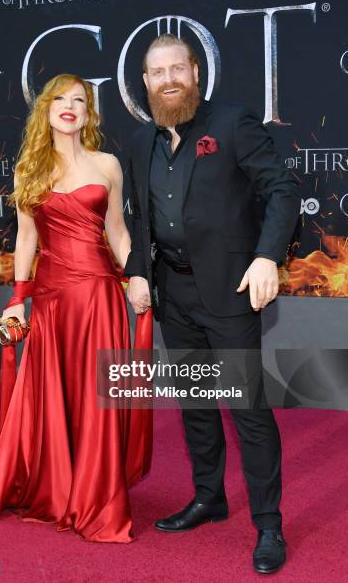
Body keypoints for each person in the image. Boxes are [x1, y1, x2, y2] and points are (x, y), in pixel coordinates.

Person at [0, 73, 152, 543]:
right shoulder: (29, 169)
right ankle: (58, 486)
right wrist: (17, 302)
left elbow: (119, 232)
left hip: (98, 298)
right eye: (60, 99)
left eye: (80, 100)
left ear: (89, 114)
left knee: (97, 397)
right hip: (50, 300)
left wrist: (135, 277)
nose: (70, 106)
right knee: (53, 396)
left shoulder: (108, 164)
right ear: (45, 109)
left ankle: (97, 495)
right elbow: (26, 239)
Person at [125, 34, 300, 572]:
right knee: (197, 406)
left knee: (247, 411)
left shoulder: (232, 123)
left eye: (177, 68)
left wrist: (268, 256)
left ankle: (269, 525)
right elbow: (140, 219)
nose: (168, 79)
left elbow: (282, 190)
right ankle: (209, 498)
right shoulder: (139, 143)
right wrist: (137, 272)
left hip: (230, 292)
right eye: (158, 72)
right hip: (173, 294)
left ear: (196, 72)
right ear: (146, 82)